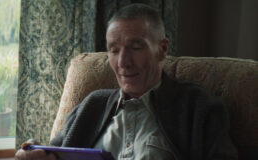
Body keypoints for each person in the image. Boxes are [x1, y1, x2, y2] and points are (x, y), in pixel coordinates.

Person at [16, 3, 238, 160]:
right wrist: (32, 154)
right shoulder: (92, 105)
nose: (123, 62)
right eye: (114, 50)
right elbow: (52, 153)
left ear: (162, 49)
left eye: (136, 47)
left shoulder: (198, 108)